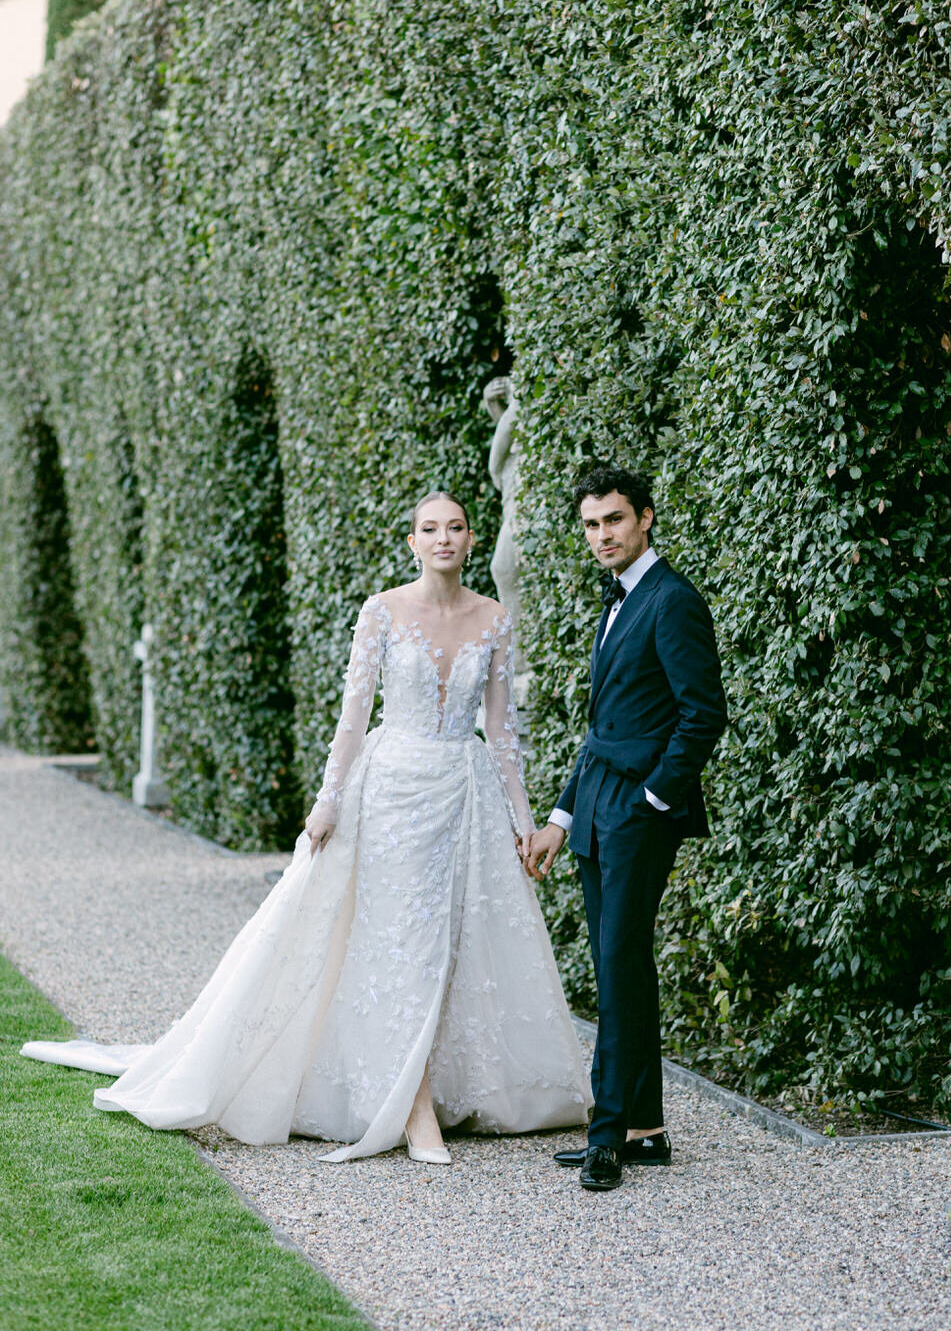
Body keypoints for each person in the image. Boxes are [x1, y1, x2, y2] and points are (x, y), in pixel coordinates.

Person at [23, 492, 591, 1164]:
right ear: (411, 541)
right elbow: (352, 720)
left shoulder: (493, 618)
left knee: (456, 941)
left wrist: (521, 823)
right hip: (391, 794)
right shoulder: (381, 611)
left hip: (463, 795)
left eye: (456, 527)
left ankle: (435, 1089)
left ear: (471, 540)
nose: (443, 538)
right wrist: (327, 801)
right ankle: (412, 1110)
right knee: (400, 942)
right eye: (429, 528)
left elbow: (500, 731)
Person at [525, 465, 726, 1191]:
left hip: (637, 815)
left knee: (617, 969)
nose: (601, 535)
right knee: (624, 970)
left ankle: (606, 1136)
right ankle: (644, 1130)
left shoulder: (671, 600)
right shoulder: (615, 602)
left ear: (644, 518)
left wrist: (652, 801)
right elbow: (599, 728)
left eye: (613, 520)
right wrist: (559, 816)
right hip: (597, 808)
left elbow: (702, 712)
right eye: (590, 524)